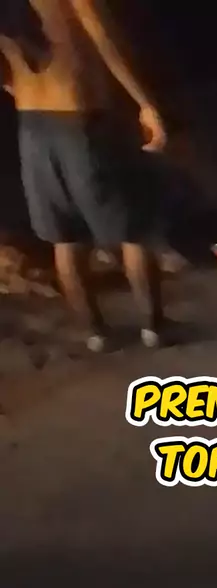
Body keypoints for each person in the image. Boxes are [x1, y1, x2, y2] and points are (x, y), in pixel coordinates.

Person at [0, 0, 172, 351]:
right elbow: (104, 39)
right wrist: (145, 103)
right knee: (133, 228)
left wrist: (20, 90)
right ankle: (154, 328)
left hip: (32, 125)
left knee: (66, 236)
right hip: (81, 119)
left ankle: (96, 334)